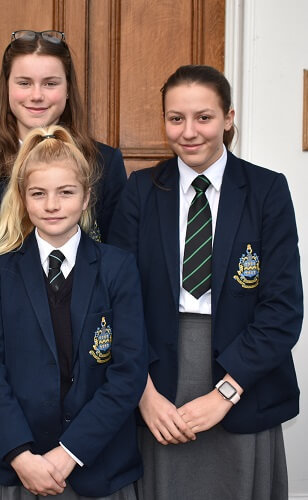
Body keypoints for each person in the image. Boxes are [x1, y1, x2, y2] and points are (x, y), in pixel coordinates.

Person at [109, 64, 303, 500]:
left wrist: (225, 394)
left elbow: (283, 308)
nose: (189, 132)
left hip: (244, 375)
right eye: (176, 118)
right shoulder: (140, 190)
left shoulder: (267, 190)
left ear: (229, 118)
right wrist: (143, 394)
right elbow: (115, 300)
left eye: (204, 117)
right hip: (156, 375)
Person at [0, 125, 148, 499]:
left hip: (98, 466)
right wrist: (20, 454)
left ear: (86, 198)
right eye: (39, 193)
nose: (52, 205)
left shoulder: (117, 268)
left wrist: (70, 452)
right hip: (19, 469)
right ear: (22, 198)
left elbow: (128, 373)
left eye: (66, 193)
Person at [0, 29, 126, 243]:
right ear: (7, 87)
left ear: (68, 88)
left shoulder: (104, 162)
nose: (37, 95)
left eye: (50, 83)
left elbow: (118, 253)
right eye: (24, 83)